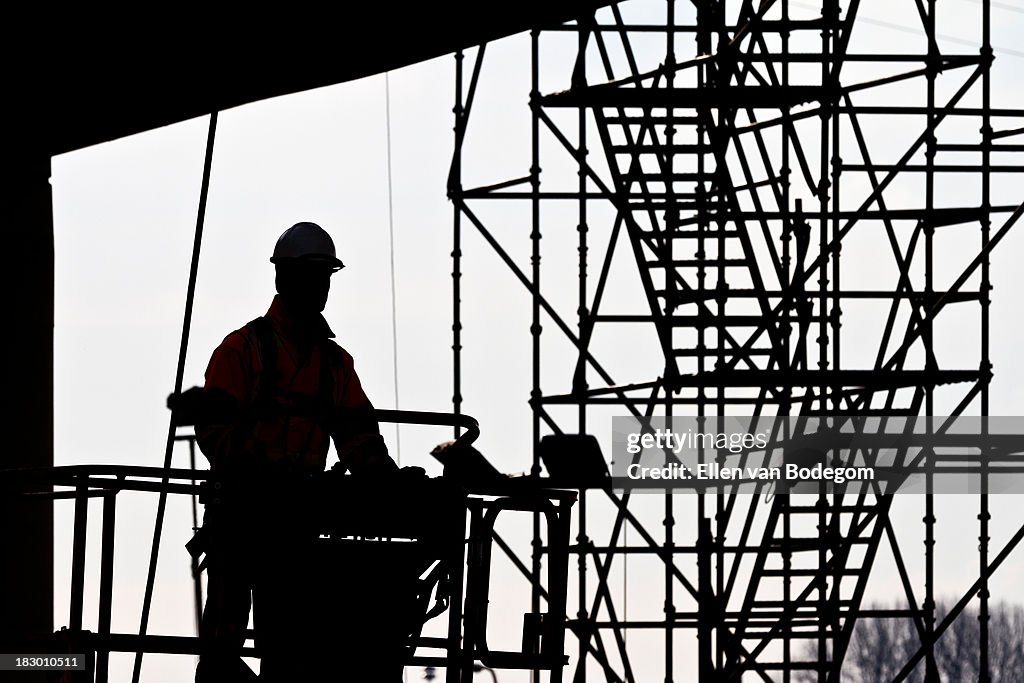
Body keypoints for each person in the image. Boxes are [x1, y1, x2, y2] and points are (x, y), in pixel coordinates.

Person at [193, 221, 398, 682]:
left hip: (297, 526)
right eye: (312, 275)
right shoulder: (243, 350)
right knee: (223, 642)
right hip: (242, 517)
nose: (320, 287)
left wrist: (385, 477)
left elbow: (359, 436)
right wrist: (263, 466)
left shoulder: (333, 364)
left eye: (325, 277)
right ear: (284, 279)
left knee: (288, 646)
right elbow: (214, 429)